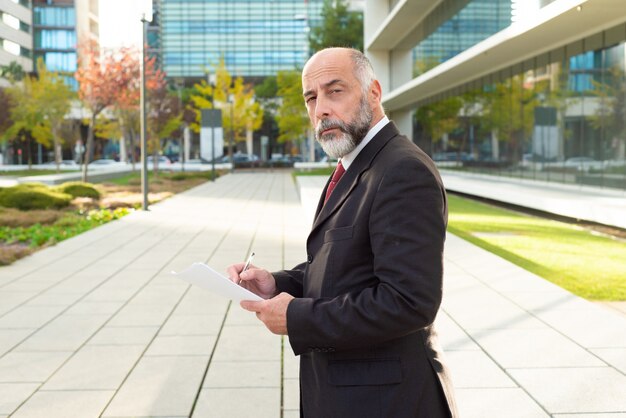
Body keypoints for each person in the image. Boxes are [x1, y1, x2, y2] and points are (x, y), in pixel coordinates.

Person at [227, 47, 457, 418]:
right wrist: (278, 283)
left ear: (374, 93)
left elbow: (409, 301)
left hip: (385, 403)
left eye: (335, 91)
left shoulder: (401, 170)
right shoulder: (354, 166)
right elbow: (343, 264)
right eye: (311, 98)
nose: (321, 110)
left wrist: (298, 318)